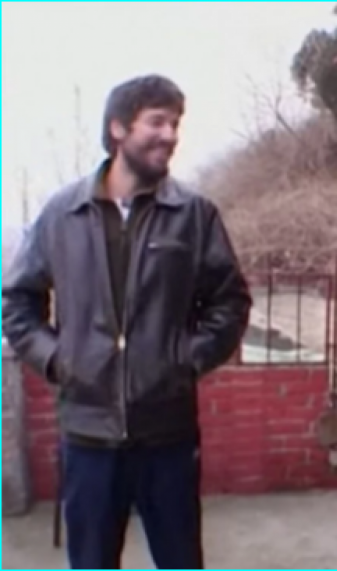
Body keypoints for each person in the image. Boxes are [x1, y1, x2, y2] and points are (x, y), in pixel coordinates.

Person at [2, 74, 252, 569]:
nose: (170, 135)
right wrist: (59, 359)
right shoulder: (63, 213)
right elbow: (17, 302)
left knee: (180, 561)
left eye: (175, 123)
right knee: (92, 562)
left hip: (168, 436)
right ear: (118, 128)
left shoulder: (194, 215)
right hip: (88, 436)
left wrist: (183, 360)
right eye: (157, 122)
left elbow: (230, 303)